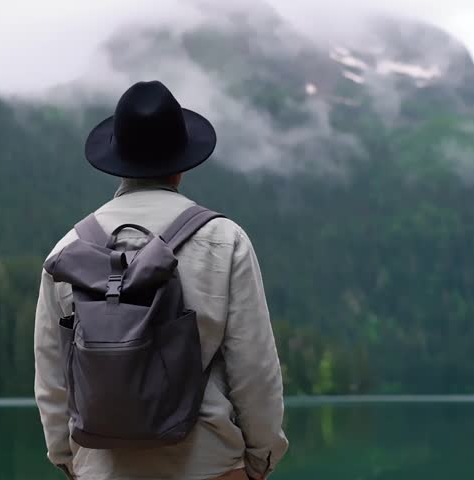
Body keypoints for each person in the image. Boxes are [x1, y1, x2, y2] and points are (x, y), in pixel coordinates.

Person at [34, 80, 288, 480]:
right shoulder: (225, 240)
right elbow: (254, 368)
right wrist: (261, 458)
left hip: (102, 469)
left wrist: (71, 460)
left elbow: (52, 377)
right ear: (182, 163)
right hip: (210, 465)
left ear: (117, 159)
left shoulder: (66, 251)